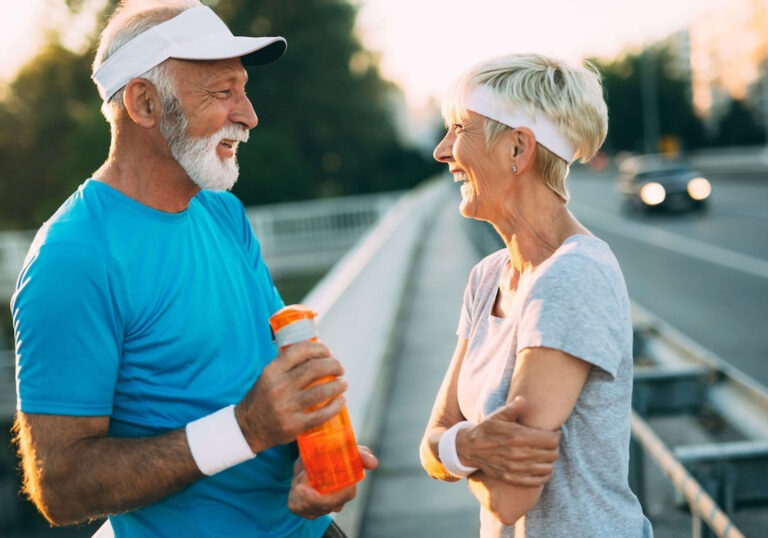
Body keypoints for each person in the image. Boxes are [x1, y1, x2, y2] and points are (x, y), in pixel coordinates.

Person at [10, 1, 378, 536]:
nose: (249, 114)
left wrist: (314, 455)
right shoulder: (72, 259)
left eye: (243, 90)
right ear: (143, 103)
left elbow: (278, 368)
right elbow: (60, 487)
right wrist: (245, 430)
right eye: (223, 93)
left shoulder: (222, 211)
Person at [420, 54, 653, 537]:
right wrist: (471, 447)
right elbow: (429, 442)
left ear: (517, 149)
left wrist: (456, 447)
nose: (442, 151)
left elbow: (508, 499)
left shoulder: (574, 277)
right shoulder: (487, 278)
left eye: (459, 128)